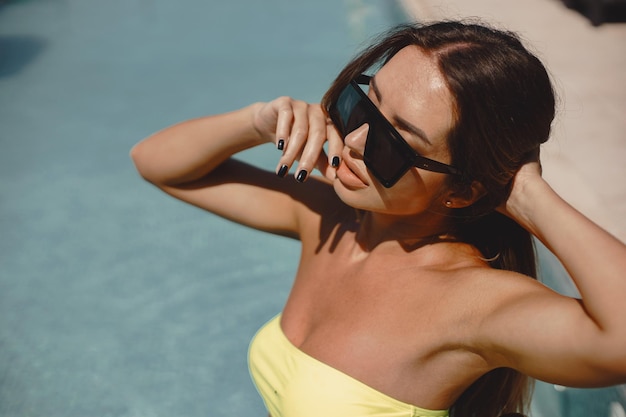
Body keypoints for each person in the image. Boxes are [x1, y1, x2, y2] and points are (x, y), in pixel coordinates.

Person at [130, 20, 626, 417]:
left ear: (463, 191)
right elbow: (157, 164)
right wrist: (259, 121)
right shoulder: (329, 217)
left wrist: (530, 196)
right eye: (361, 105)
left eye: (395, 145)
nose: (354, 141)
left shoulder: (471, 304)